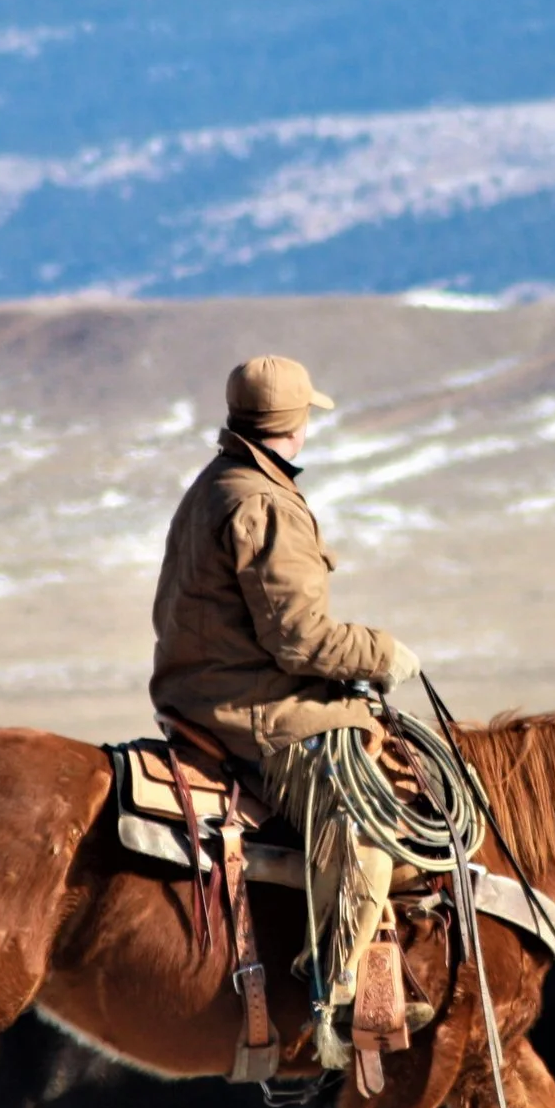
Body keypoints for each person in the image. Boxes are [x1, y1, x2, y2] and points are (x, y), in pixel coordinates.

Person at [149, 355, 425, 1065]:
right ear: (295, 426)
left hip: (207, 690)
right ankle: (332, 998)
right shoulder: (265, 503)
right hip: (252, 710)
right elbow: (301, 639)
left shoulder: (215, 485)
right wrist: (381, 653)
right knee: (365, 824)